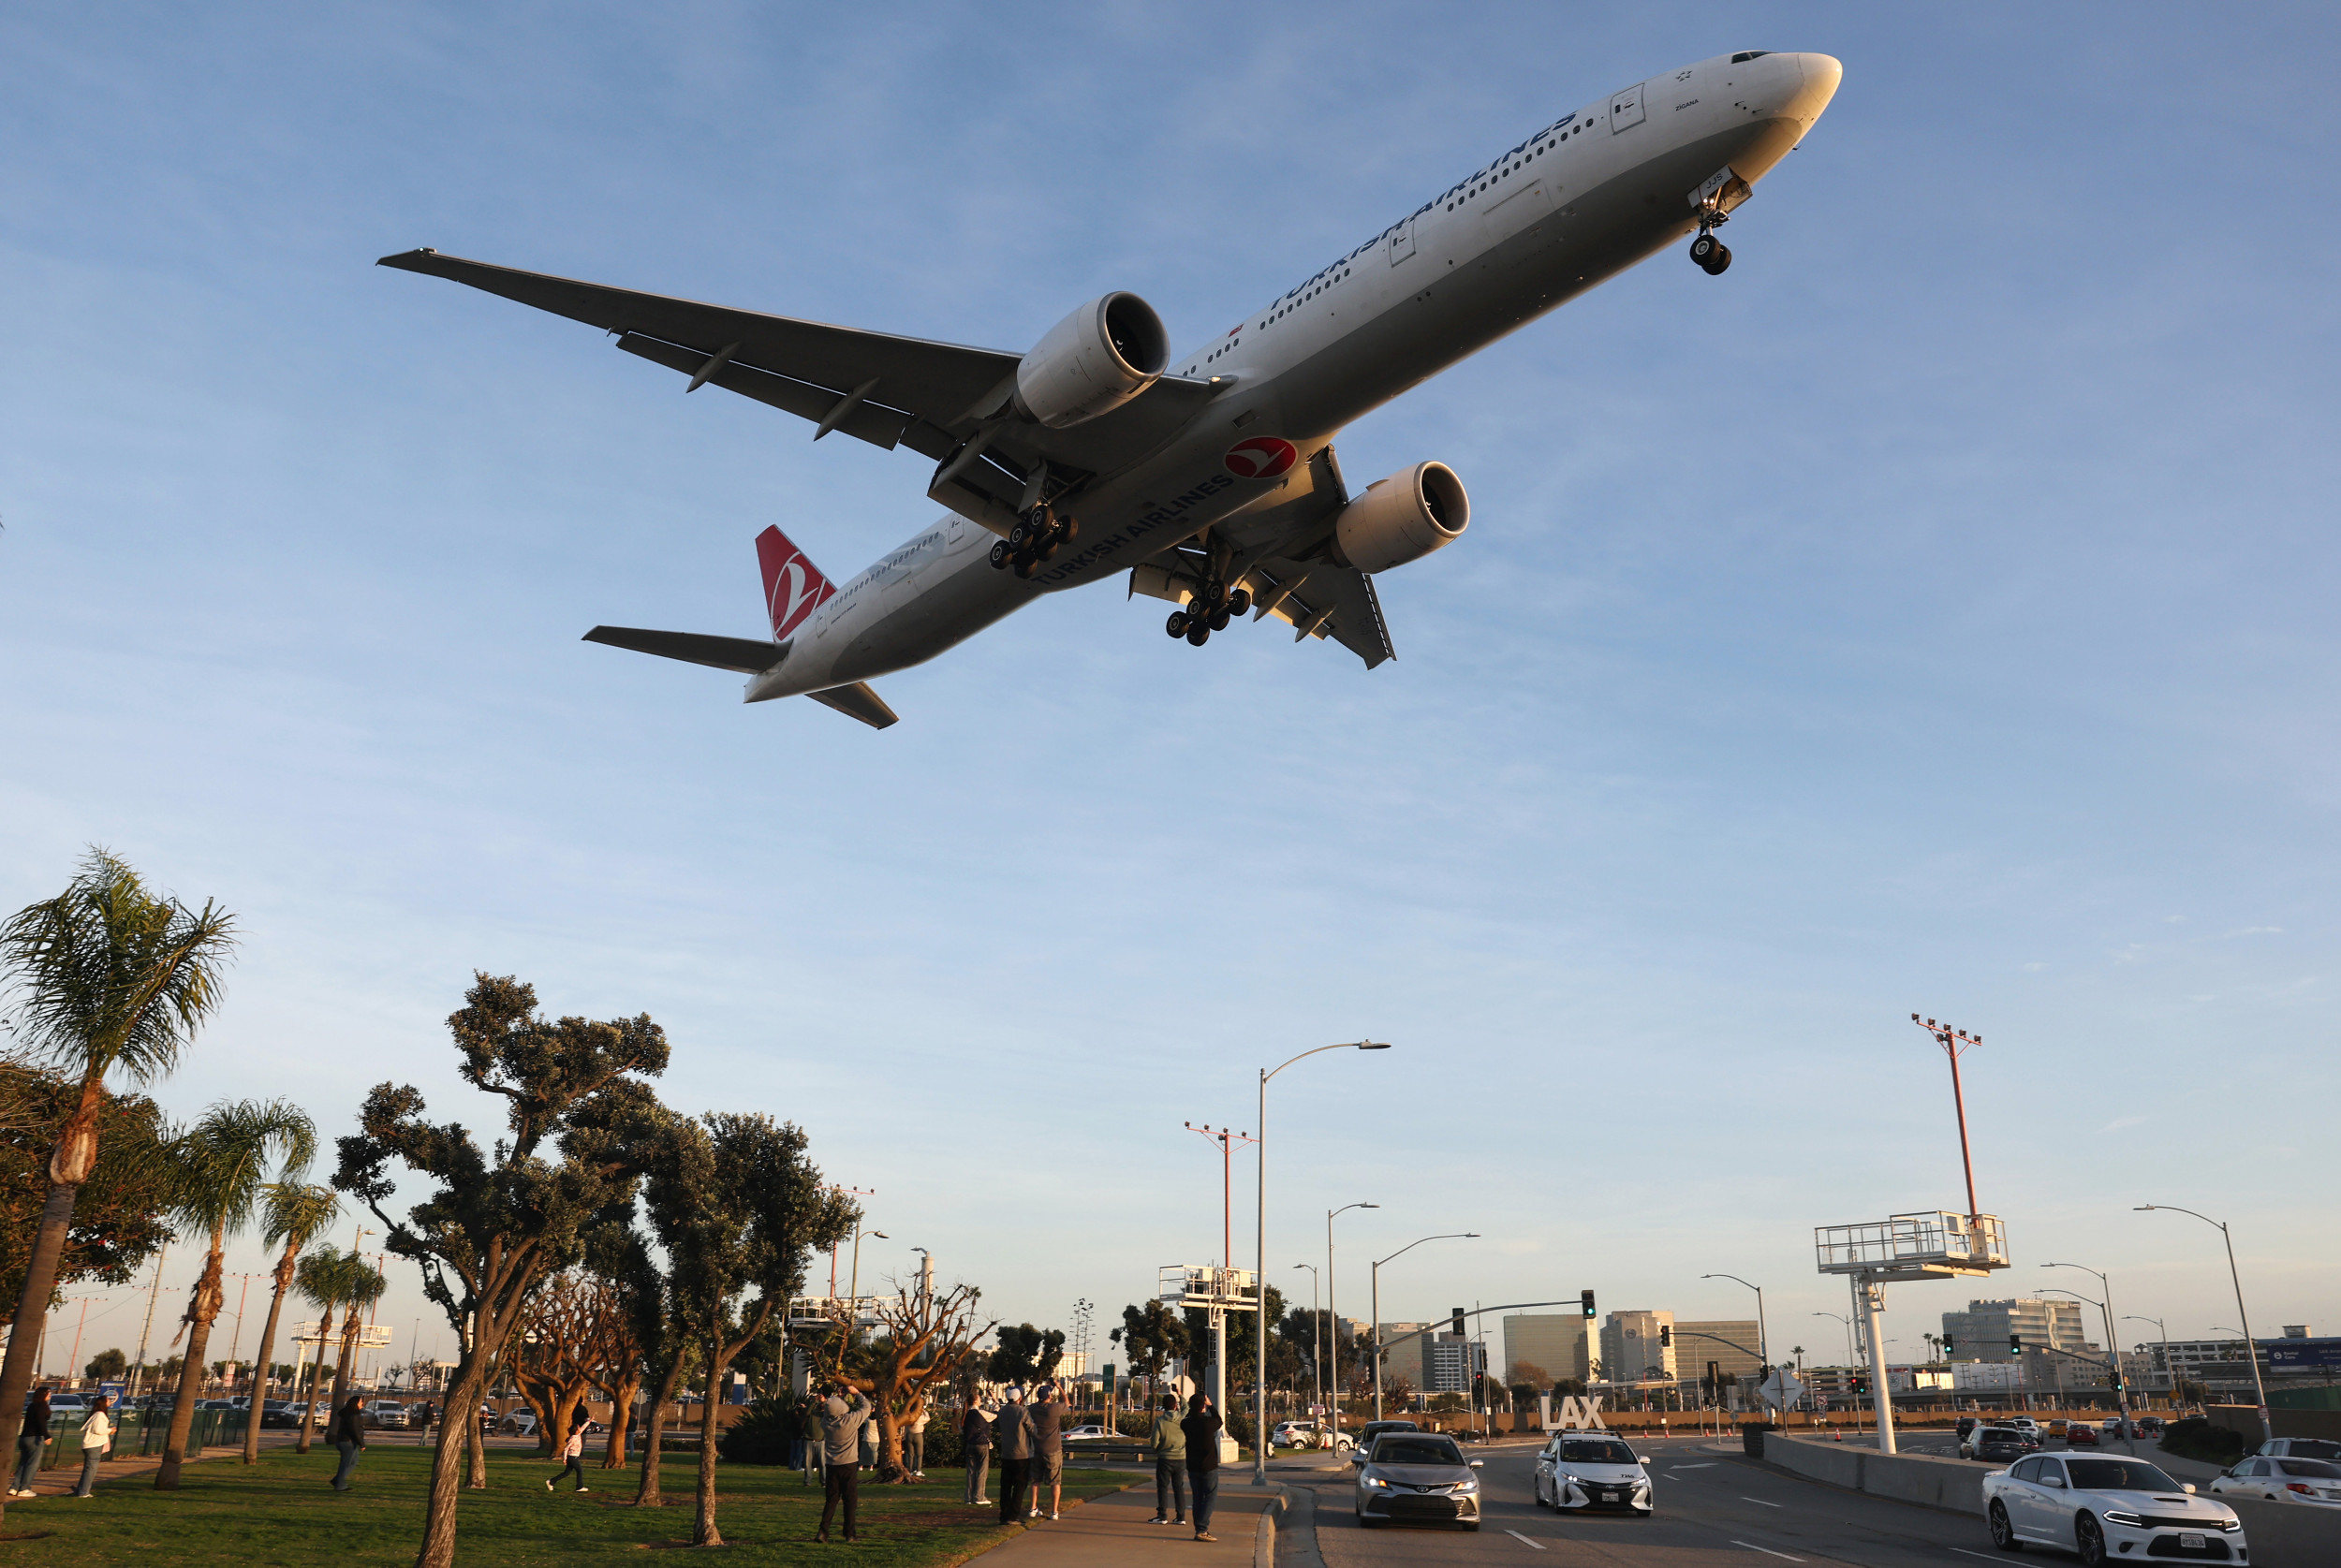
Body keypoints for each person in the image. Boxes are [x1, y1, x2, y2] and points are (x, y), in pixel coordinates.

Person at [817, 1385, 871, 1544]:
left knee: (831, 1500)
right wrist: (856, 1393)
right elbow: (867, 1407)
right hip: (848, 1464)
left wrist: (838, 1399)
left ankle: (823, 1532)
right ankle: (849, 1533)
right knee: (849, 1500)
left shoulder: (825, 1423)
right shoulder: (850, 1420)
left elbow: (833, 1410)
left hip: (831, 1465)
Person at [1180, 1392, 1224, 1543]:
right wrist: (1211, 1406)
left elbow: (1186, 1417)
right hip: (1209, 1466)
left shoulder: (1185, 1424)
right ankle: (1202, 1529)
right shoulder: (1208, 1423)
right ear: (1203, 1407)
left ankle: (1199, 1528)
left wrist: (1195, 1407)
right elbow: (1219, 1420)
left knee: (1198, 1498)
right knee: (1210, 1496)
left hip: (1192, 1466)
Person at [1025, 1379, 1067, 1520]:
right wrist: (1060, 1387)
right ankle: (1054, 1511)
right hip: (1053, 1450)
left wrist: (1051, 1389)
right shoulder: (1053, 1409)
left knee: (1035, 1480)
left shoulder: (1032, 1409)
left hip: (1036, 1448)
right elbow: (1066, 1402)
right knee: (1055, 1481)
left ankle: (1033, 1507)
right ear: (1050, 1396)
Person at [1147, 1392, 1188, 1526]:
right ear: (1175, 1406)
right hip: (1181, 1458)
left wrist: (1158, 1450)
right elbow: (1186, 1407)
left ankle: (1162, 1515)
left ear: (1163, 1407)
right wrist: (1181, 1395)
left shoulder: (1160, 1422)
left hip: (1165, 1458)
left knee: (1163, 1487)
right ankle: (1181, 1517)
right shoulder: (1182, 1419)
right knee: (1179, 1487)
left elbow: (1154, 1442)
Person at [993, 1386, 1032, 1525]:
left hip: (1006, 1453)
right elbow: (1032, 1428)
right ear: (1019, 1398)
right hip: (1021, 1453)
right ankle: (1013, 1516)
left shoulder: (1002, 1412)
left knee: (1006, 1486)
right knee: (1020, 1486)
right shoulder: (1022, 1411)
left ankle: (1004, 1514)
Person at [70, 1396, 111, 1499]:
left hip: (91, 1445)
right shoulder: (100, 1415)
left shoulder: (96, 1414)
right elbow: (98, 1430)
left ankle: (81, 1489)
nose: (110, 1401)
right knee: (91, 1469)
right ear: (103, 1403)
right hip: (94, 1445)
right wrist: (110, 1430)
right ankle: (84, 1492)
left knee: (88, 1469)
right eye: (108, 1400)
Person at [10, 1387, 50, 1497]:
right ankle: (24, 1488)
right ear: (43, 1395)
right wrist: (46, 1436)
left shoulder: (31, 1406)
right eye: (48, 1393)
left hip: (24, 1437)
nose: (50, 1395)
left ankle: (14, 1487)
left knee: (23, 1463)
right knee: (32, 1464)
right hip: (35, 1438)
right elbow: (41, 1422)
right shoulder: (41, 1407)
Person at [327, 1394, 368, 1490]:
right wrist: (361, 1443)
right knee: (346, 1464)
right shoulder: (353, 1415)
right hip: (347, 1442)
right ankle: (340, 1485)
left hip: (344, 1441)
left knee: (352, 1461)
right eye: (361, 1401)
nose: (362, 1403)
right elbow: (354, 1430)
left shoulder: (348, 1413)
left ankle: (337, 1480)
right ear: (355, 1403)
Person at [960, 1396, 994, 1506]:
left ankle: (968, 1497)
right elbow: (994, 1415)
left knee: (971, 1471)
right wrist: (994, 1401)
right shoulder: (980, 1413)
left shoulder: (965, 1414)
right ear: (975, 1401)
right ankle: (979, 1496)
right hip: (981, 1444)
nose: (981, 1400)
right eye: (979, 1399)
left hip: (969, 1444)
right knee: (982, 1471)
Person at [545, 1420, 588, 1492]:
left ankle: (551, 1482)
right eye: (578, 1427)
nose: (580, 1428)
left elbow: (584, 1427)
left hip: (575, 1457)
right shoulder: (572, 1438)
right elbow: (566, 1448)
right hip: (572, 1457)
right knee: (580, 1470)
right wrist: (564, 1458)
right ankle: (579, 1487)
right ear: (576, 1430)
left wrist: (589, 1421)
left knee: (566, 1473)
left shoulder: (578, 1434)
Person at [903, 1402, 927, 1480]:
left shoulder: (908, 1417)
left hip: (909, 1435)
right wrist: (923, 1410)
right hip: (918, 1434)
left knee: (910, 1454)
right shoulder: (919, 1417)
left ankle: (910, 1470)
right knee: (919, 1454)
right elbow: (928, 1418)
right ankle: (918, 1470)